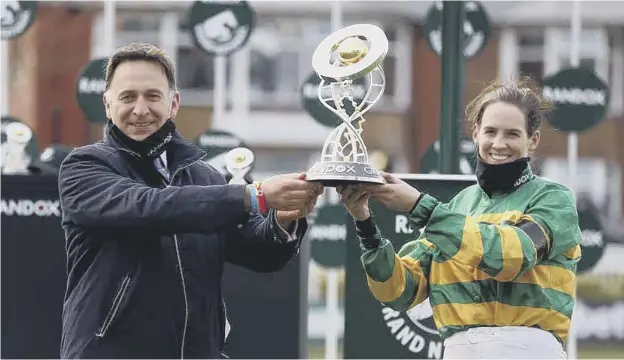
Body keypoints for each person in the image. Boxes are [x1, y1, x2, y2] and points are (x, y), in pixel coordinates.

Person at [58, 43, 323, 359]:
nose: (140, 109)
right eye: (128, 97)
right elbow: (152, 207)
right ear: (107, 105)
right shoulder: (84, 167)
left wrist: (283, 218)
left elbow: (259, 253)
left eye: (153, 96)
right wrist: (256, 196)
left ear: (174, 103)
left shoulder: (205, 177)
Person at [338, 78, 582, 359]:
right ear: (476, 133)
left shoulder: (554, 200)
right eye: (490, 131)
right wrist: (364, 220)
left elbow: (511, 256)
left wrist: (420, 207)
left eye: (512, 134)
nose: (499, 143)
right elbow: (399, 291)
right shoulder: (456, 207)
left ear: (533, 140)